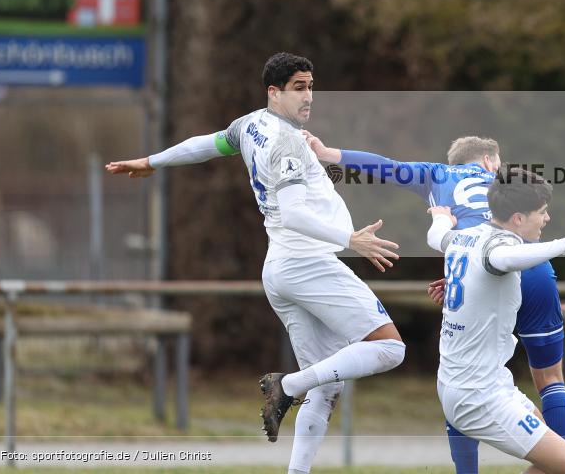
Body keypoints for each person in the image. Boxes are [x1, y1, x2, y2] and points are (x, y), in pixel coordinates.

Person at [106, 52, 405, 474]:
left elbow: (205, 146)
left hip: (280, 269)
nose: (309, 97)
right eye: (299, 88)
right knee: (391, 348)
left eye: (311, 87)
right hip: (308, 265)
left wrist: (153, 161)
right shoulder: (285, 142)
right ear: (274, 91)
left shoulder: (250, 126)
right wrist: (350, 238)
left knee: (327, 384)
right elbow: (296, 213)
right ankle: (287, 385)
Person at [304, 134, 565, 472]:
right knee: (550, 378)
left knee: (459, 378)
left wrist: (329, 153)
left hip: (480, 271)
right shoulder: (504, 183)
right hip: (531, 266)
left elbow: (387, 167)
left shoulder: (437, 174)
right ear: (491, 161)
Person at [428, 168, 565, 474]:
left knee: (552, 456)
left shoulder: (463, 237)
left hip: (471, 384)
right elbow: (510, 259)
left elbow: (436, 235)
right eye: (541, 212)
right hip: (478, 395)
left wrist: (441, 216)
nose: (547, 218)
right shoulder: (498, 249)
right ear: (517, 219)